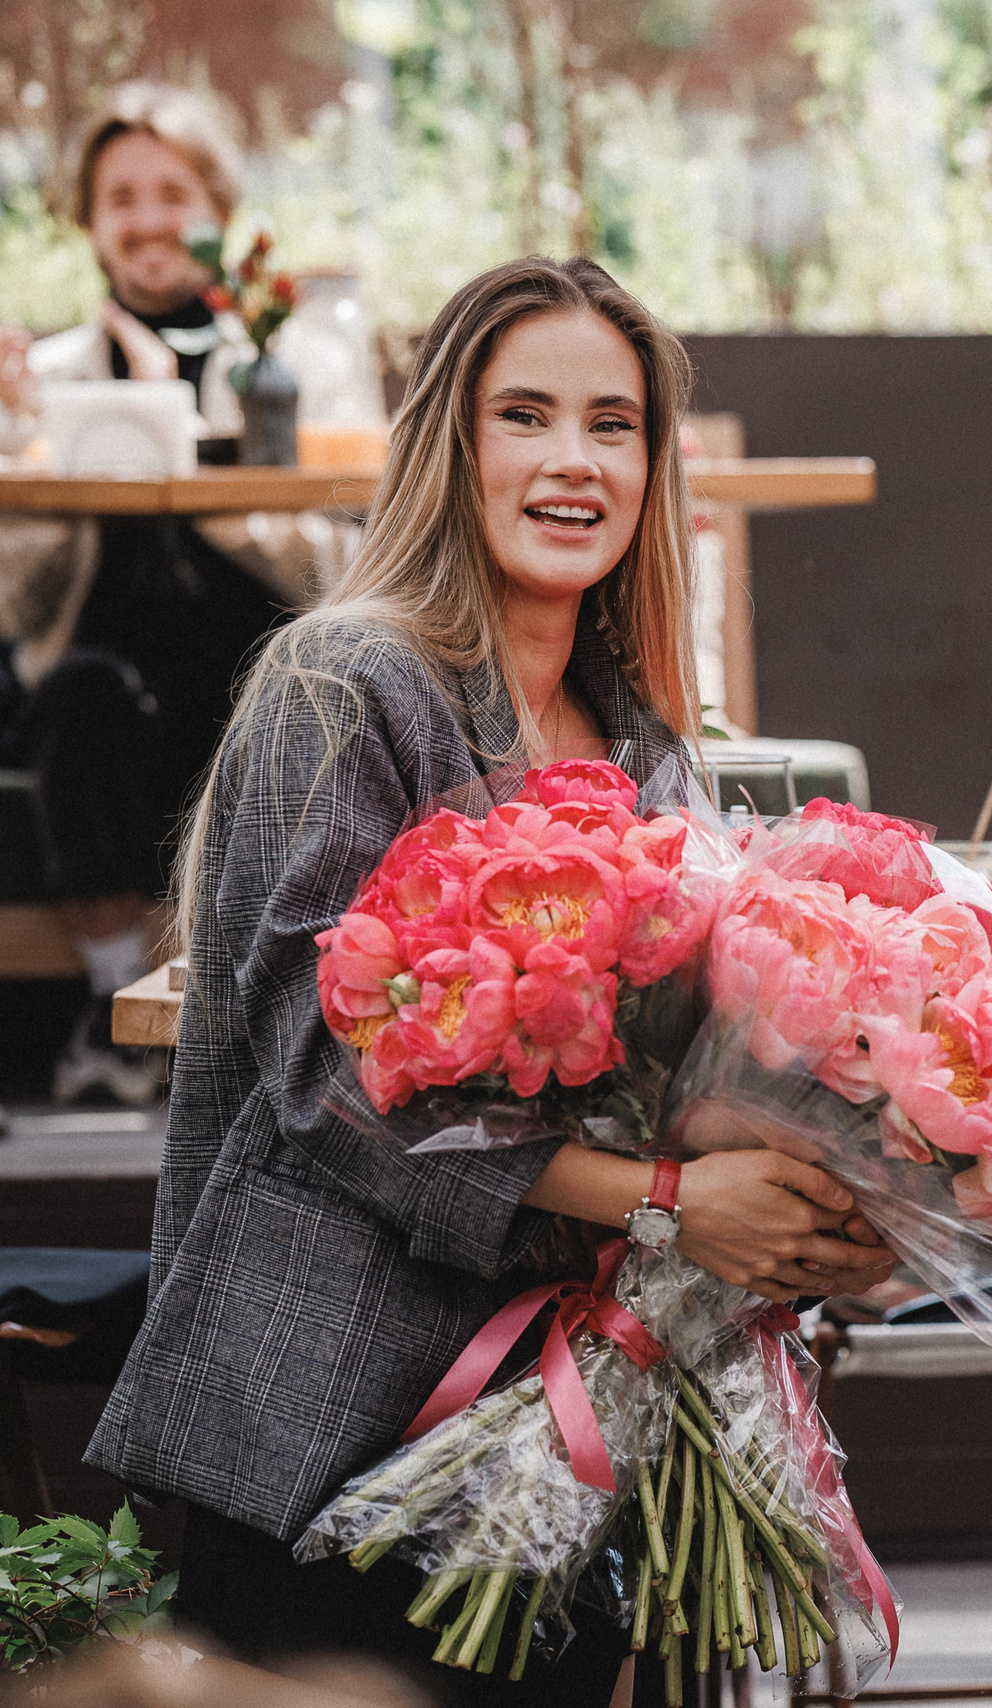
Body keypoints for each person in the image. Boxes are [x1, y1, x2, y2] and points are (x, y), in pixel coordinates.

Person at [82, 257, 896, 1704]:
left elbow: (664, 1087)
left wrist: (826, 1201)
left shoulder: (648, 741)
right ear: (450, 448)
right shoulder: (340, 685)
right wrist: (666, 1202)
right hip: (337, 1422)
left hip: (577, 1437)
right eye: (525, 415)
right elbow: (323, 1083)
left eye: (614, 423)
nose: (574, 460)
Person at [0, 82, 310, 1105]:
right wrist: (24, 447)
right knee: (78, 690)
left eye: (172, 191)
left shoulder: (283, 364)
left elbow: (338, 564)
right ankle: (112, 1014)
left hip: (249, 680)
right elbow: (18, 610)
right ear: (90, 221)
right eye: (121, 195)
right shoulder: (45, 376)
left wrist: (177, 423)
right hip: (106, 705)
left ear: (218, 208)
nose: (146, 218)